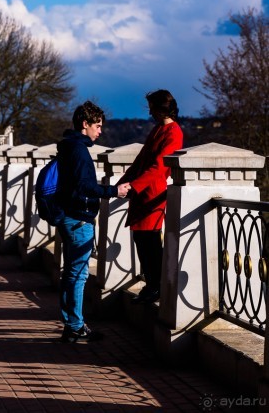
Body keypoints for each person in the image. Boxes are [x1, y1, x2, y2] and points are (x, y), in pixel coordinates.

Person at [56, 100, 130, 343]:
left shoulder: (69, 146)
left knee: (71, 274)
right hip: (79, 219)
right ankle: (75, 326)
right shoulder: (78, 150)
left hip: (70, 217)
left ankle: (72, 324)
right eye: (97, 126)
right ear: (84, 124)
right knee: (78, 275)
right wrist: (113, 191)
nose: (100, 131)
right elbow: (84, 186)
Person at [117, 89, 183, 305]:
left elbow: (159, 166)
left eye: (151, 108)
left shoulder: (173, 132)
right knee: (142, 240)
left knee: (151, 242)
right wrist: (124, 181)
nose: (149, 113)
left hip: (153, 194)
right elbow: (141, 160)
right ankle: (152, 283)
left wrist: (134, 185)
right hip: (143, 193)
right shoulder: (157, 130)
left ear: (158, 108)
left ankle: (156, 285)